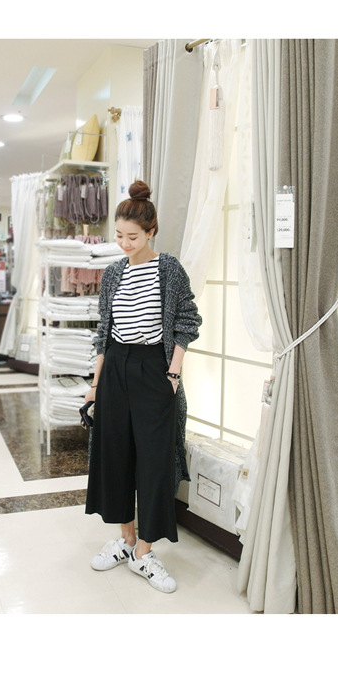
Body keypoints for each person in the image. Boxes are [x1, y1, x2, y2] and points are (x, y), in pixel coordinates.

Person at [84, 180, 202, 593]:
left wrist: (173, 374)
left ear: (151, 232)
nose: (124, 243)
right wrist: (95, 385)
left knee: (155, 461)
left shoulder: (168, 268)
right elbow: (104, 332)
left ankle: (145, 553)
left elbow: (187, 321)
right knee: (115, 455)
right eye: (119, 235)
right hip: (116, 367)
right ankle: (125, 539)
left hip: (155, 368)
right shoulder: (113, 273)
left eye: (132, 236)